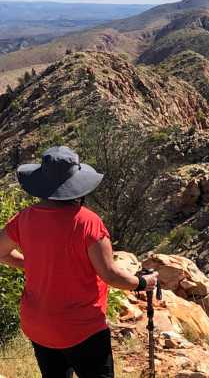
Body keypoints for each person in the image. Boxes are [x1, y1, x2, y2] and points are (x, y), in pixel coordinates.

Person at [0, 146, 158, 378]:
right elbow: (110, 275)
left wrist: (36, 264)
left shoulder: (24, 218)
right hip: (82, 330)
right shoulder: (88, 223)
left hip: (38, 325)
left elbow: (2, 253)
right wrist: (144, 283)